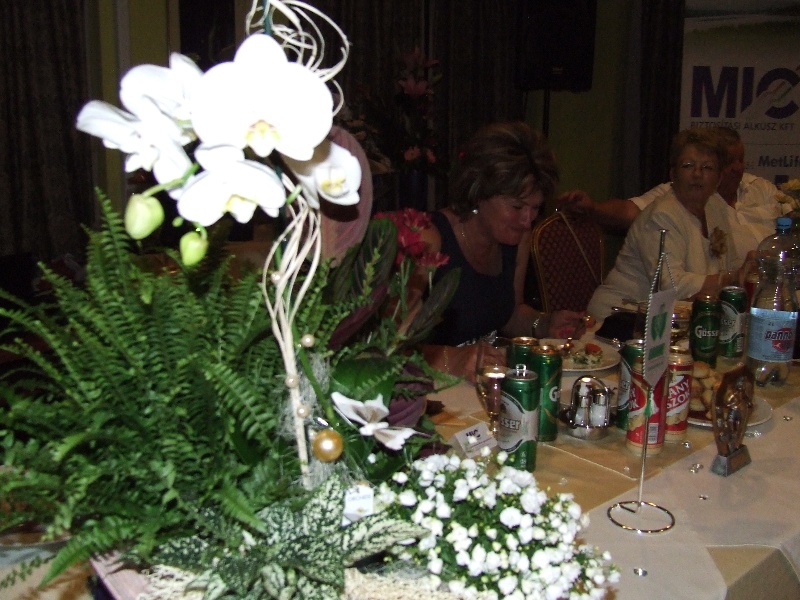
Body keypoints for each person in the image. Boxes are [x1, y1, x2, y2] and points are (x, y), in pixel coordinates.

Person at [415, 122, 588, 378]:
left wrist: (544, 323)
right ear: (478, 192)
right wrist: (449, 358)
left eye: (535, 208)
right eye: (517, 207)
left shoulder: (517, 237)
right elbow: (384, 347)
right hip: (425, 389)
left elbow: (509, 313)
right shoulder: (428, 239)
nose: (527, 220)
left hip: (479, 386)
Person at [587, 128, 748, 321]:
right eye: (688, 165)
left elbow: (731, 263)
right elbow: (671, 285)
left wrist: (748, 270)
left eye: (707, 167)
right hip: (622, 316)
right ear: (673, 174)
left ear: (719, 178)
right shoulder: (661, 215)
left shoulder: (716, 207)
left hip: (675, 319)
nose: (697, 174)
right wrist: (728, 279)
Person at [559, 127, 785, 257]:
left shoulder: (760, 189)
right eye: (689, 166)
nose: (737, 168)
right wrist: (592, 208)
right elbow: (629, 210)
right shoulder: (671, 201)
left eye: (741, 160)